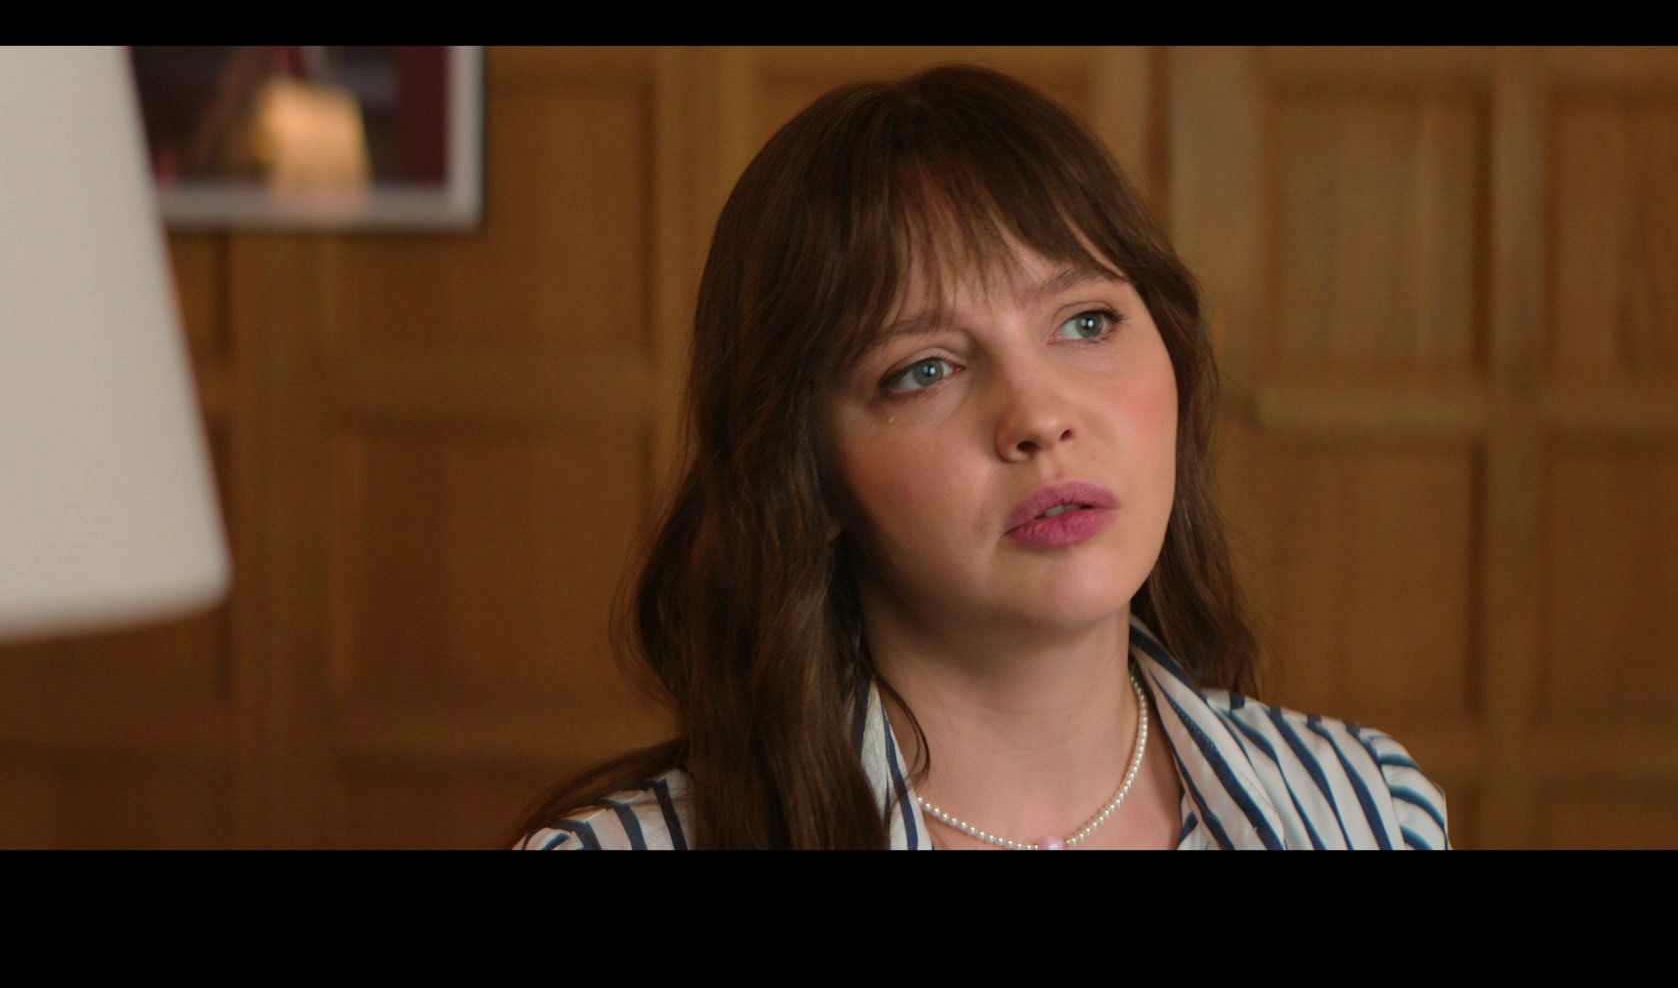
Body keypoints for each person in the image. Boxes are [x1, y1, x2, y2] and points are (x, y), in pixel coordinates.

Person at [509, 64, 1449, 850]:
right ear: (808, 472)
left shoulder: (1368, 808)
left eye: (1087, 322)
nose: (1038, 417)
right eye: (924, 370)